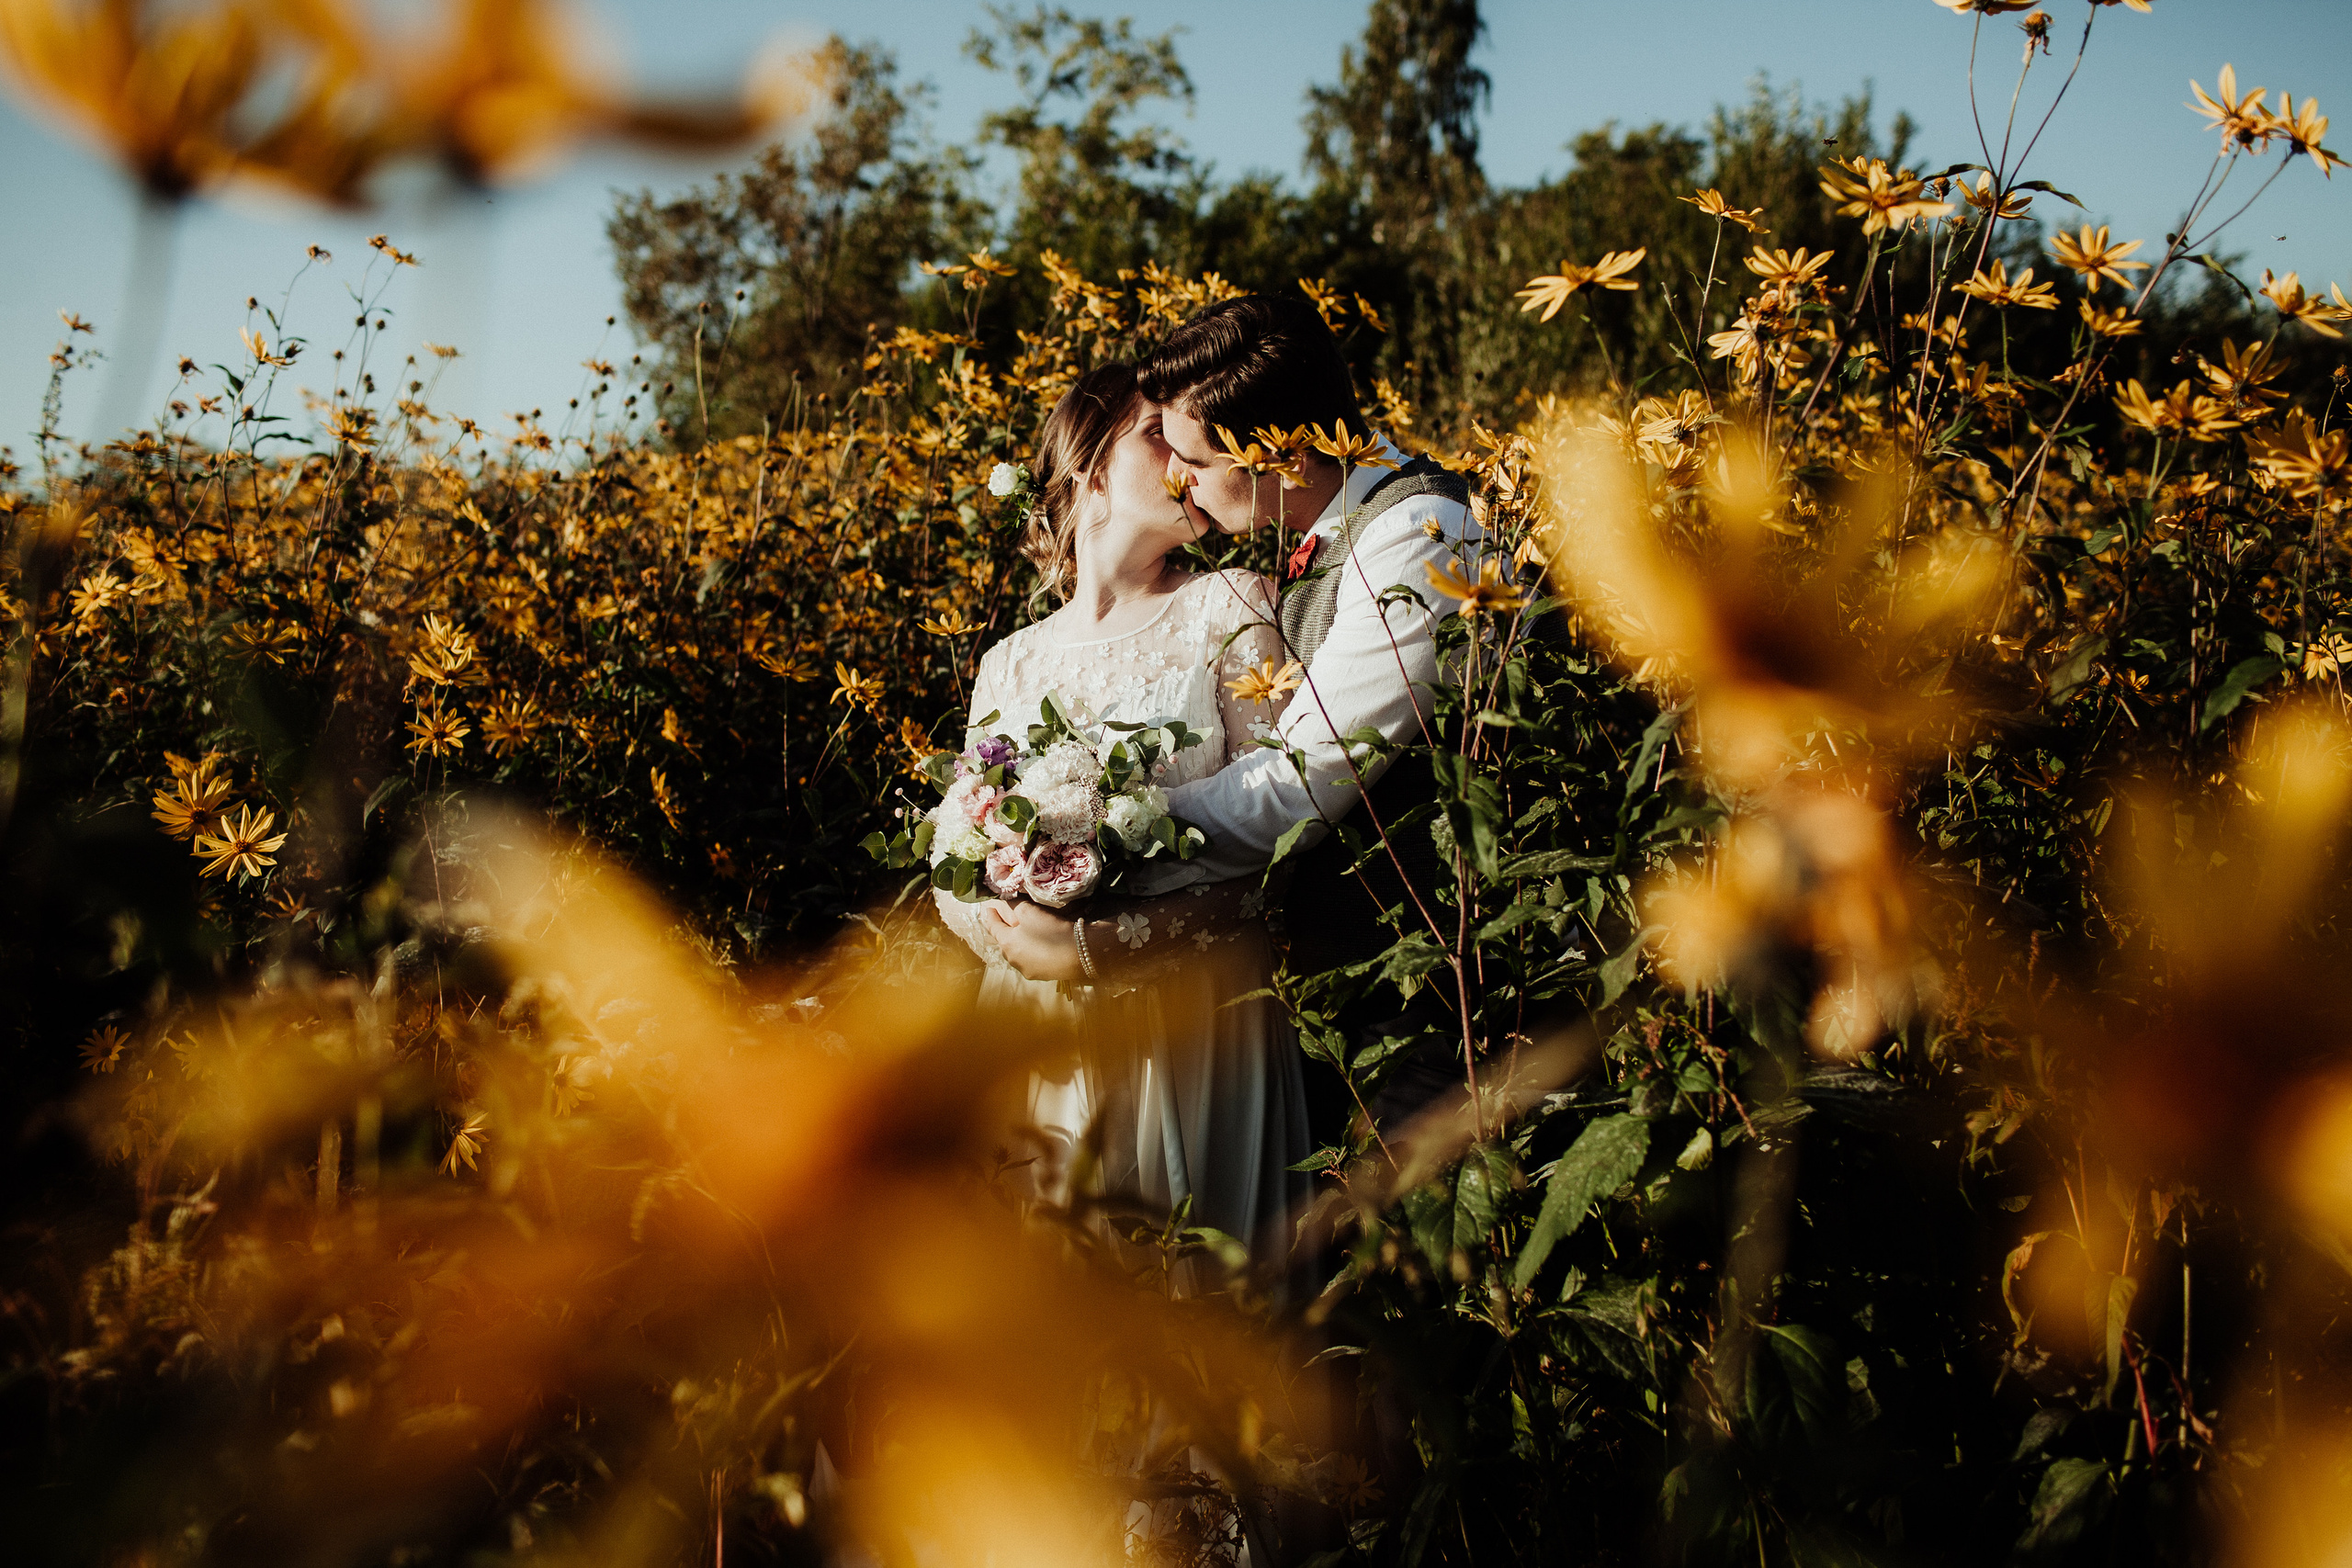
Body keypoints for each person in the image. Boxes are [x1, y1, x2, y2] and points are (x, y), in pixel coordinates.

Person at [985, 295, 1481, 1135]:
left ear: (1274, 452)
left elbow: (1305, 778)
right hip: (1353, 984)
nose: (1179, 479)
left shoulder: (1419, 536)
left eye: (1190, 456)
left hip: (1442, 985)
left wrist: (1096, 830)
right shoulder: (1320, 535)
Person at [932, 359, 1312, 1284]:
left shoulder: (1229, 608)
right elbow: (954, 849)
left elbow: (1288, 839)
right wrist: (1004, 918)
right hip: (1037, 1031)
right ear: (1089, 462)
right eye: (1157, 436)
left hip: (1198, 1020)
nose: (1190, 459)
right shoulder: (1010, 663)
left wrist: (1116, 941)